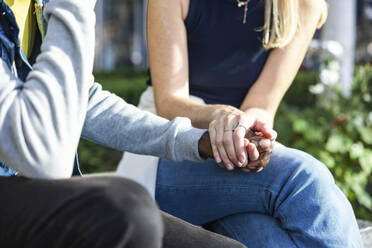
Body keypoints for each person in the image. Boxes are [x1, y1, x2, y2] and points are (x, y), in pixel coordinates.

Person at [0, 0, 251, 247]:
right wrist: (74, 6)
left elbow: (82, 101)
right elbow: (44, 161)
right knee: (127, 210)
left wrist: (195, 139)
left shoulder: (36, 5)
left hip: (31, 187)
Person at [117, 0, 364, 247]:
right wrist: (223, 117)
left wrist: (254, 137)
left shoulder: (301, 5)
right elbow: (170, 104)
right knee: (303, 176)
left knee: (260, 233)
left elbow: (262, 104)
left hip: (236, 152)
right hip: (168, 148)